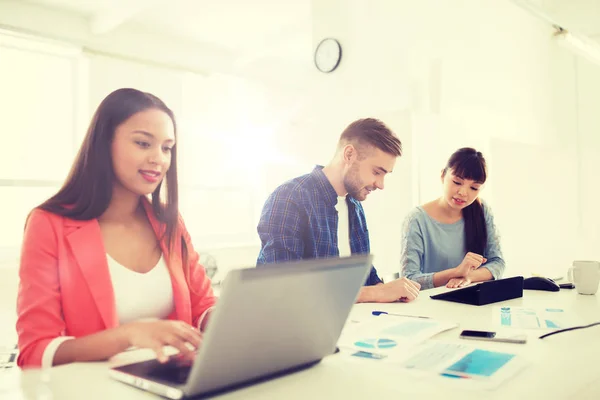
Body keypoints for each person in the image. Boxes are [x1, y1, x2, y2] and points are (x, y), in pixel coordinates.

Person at [16, 88, 215, 368]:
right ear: (104, 143)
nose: (159, 159)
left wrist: (227, 317)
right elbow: (35, 351)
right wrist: (130, 335)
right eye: (143, 144)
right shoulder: (48, 224)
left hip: (169, 382)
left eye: (166, 148)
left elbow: (202, 306)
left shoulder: (169, 221)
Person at [256, 118, 421, 303]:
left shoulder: (354, 205)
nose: (381, 185)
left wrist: (390, 290)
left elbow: (365, 275)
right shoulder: (289, 198)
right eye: (376, 172)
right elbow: (283, 287)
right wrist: (375, 293)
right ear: (349, 155)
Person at [400, 147, 505, 290]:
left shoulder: (481, 210)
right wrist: (455, 272)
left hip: (472, 303)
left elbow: (497, 262)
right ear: (443, 175)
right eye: (457, 182)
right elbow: (409, 279)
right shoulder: (416, 219)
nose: (463, 193)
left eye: (474, 188)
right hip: (429, 305)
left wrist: (468, 277)